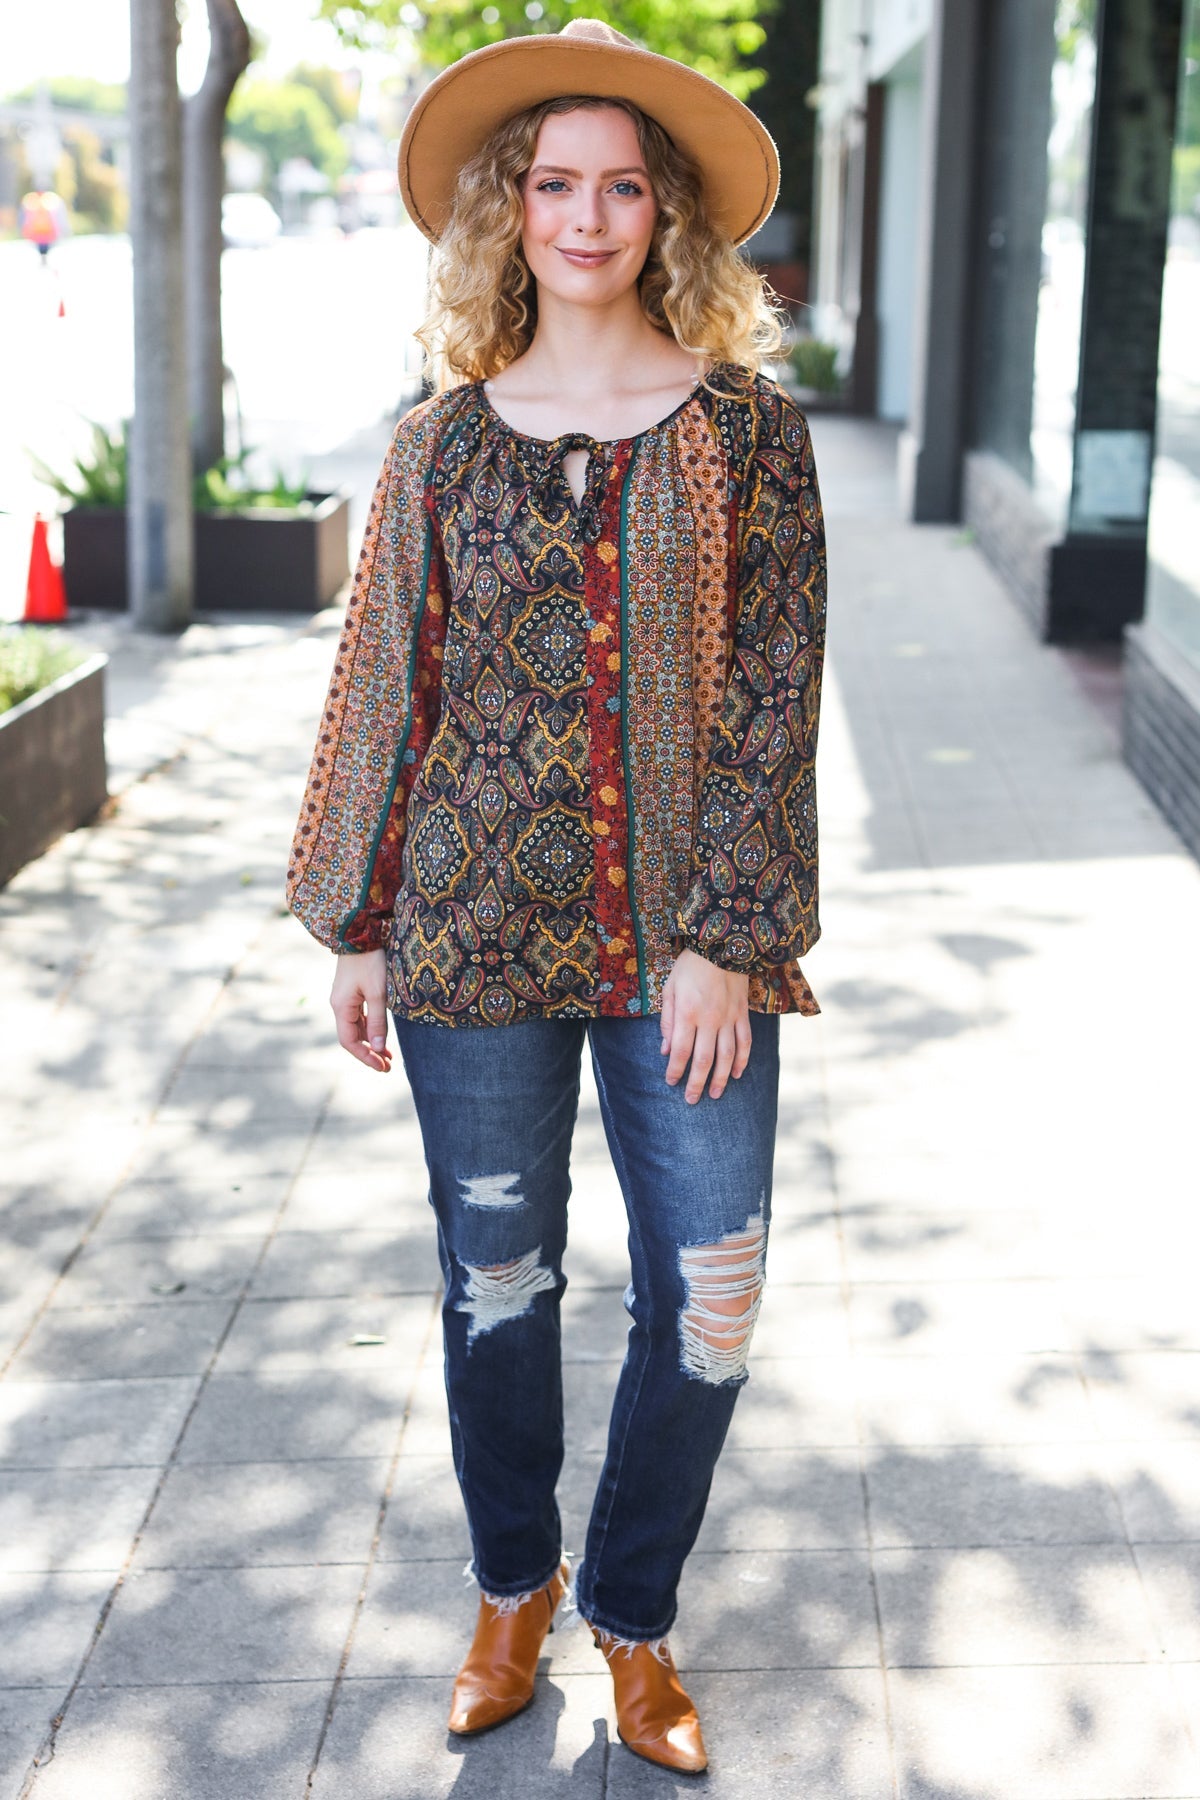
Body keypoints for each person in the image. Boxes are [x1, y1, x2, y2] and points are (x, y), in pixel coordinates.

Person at [287, 18, 827, 1775]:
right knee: (498, 1280)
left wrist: (727, 940)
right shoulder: (439, 446)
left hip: (689, 948)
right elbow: (388, 682)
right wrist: (360, 920)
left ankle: (634, 1611)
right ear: (508, 213)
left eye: (620, 188)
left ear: (666, 215)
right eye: (552, 184)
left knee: (715, 1292)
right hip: (470, 939)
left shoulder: (749, 434)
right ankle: (514, 1591)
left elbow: (774, 697)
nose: (585, 216)